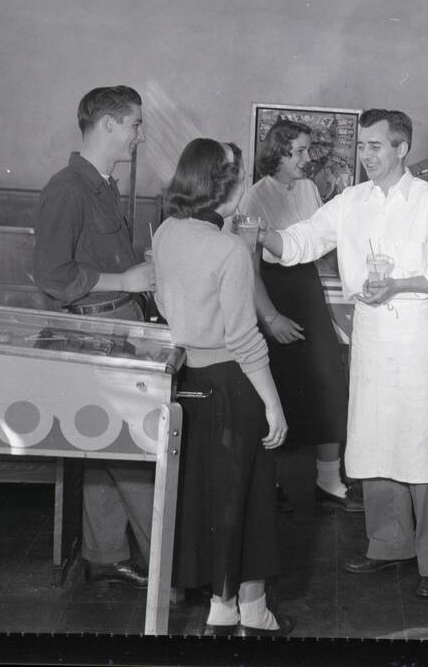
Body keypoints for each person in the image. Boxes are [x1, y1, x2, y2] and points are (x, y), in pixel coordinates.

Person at [261, 109, 428, 599]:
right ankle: (389, 543)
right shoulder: (352, 200)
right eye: (362, 145)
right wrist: (259, 234)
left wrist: (398, 285)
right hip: (372, 338)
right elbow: (302, 240)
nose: (365, 154)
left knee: (422, 443)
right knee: (375, 441)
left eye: (376, 145)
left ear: (402, 148)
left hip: (415, 338)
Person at [152, 139, 293, 637]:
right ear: (222, 187)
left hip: (190, 379)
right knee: (248, 498)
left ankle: (231, 607)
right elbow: (245, 340)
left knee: (210, 498)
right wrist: (273, 405)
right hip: (234, 385)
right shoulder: (228, 249)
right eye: (237, 177)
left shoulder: (167, 231)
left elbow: (163, 302)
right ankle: (242, 610)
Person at [33, 85, 155, 589]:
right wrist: (126, 279)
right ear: (108, 124)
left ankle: (105, 554)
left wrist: (136, 275)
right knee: (130, 450)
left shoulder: (103, 185)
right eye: (134, 124)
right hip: (93, 332)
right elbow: (52, 275)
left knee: (104, 446)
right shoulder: (68, 188)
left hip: (115, 323)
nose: (139, 135)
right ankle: (167, 568)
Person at [241, 119, 362, 515]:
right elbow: (248, 268)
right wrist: (270, 317)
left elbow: (320, 242)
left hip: (306, 289)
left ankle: (329, 479)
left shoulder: (309, 188)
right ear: (277, 153)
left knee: (328, 381)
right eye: (299, 151)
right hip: (272, 293)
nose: (307, 158)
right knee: (276, 389)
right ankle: (270, 484)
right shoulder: (254, 197)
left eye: (308, 150)